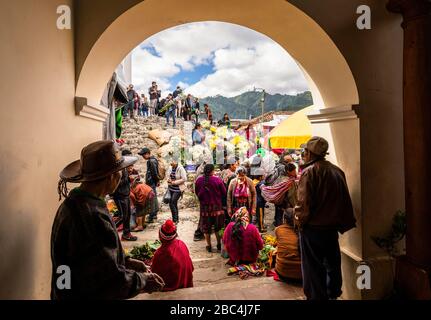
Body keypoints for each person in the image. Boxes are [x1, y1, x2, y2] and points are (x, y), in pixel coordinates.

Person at [51, 140, 165, 299]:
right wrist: (143, 281)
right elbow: (112, 282)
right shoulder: (93, 216)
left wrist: (126, 260)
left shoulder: (72, 203)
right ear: (112, 176)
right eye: (121, 171)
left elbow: (92, 255)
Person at [294, 136, 356, 300]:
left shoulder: (309, 172)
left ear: (309, 153)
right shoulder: (336, 171)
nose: (303, 154)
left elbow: (303, 204)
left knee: (313, 268)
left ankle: (317, 297)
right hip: (331, 229)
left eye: (305, 151)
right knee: (332, 265)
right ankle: (333, 294)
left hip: (313, 229)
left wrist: (299, 223)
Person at [151, 220, 194, 291]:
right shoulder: (181, 244)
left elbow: (155, 274)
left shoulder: (160, 253)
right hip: (185, 281)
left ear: (160, 236)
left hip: (172, 285)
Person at [195, 164, 227, 252]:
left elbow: (197, 193)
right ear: (212, 171)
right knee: (218, 227)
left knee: (206, 227)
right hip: (217, 208)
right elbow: (224, 193)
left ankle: (209, 246)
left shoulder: (199, 181)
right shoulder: (218, 180)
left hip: (204, 208)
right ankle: (219, 244)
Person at [110, 150, 137, 242]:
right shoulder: (119, 169)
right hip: (120, 195)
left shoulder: (125, 169)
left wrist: (130, 179)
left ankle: (126, 234)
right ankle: (110, 232)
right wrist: (128, 179)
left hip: (125, 194)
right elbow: (115, 184)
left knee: (127, 216)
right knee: (122, 216)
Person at [265, 153, 294, 227]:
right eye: (289, 161)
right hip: (281, 193)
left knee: (278, 209)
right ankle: (279, 225)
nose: (290, 162)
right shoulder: (283, 168)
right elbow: (284, 181)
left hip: (278, 192)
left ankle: (276, 222)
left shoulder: (278, 166)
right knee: (280, 210)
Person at [274, 210, 302, 282]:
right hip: (302, 274)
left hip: (283, 273)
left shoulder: (278, 229)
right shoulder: (302, 230)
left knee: (275, 251)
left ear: (284, 219)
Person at [138, 148, 160, 223]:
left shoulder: (151, 161)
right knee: (153, 197)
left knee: (151, 199)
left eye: (143, 155)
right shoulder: (151, 160)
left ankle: (151, 216)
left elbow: (154, 173)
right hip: (152, 182)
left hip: (151, 182)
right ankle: (154, 214)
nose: (143, 157)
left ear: (148, 153)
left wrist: (157, 180)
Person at [166, 157, 187, 224]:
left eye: (172, 161)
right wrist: (168, 179)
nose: (171, 163)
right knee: (172, 203)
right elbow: (168, 175)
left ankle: (175, 220)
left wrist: (174, 182)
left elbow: (184, 179)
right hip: (171, 188)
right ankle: (175, 219)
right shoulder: (170, 168)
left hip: (178, 189)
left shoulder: (181, 168)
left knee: (172, 202)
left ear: (176, 161)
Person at [253, 168, 267, 233]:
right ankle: (261, 228)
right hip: (260, 202)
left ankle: (261, 225)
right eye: (263, 176)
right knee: (261, 215)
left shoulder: (253, 181)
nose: (263, 177)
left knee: (258, 215)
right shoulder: (261, 183)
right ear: (260, 176)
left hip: (255, 201)